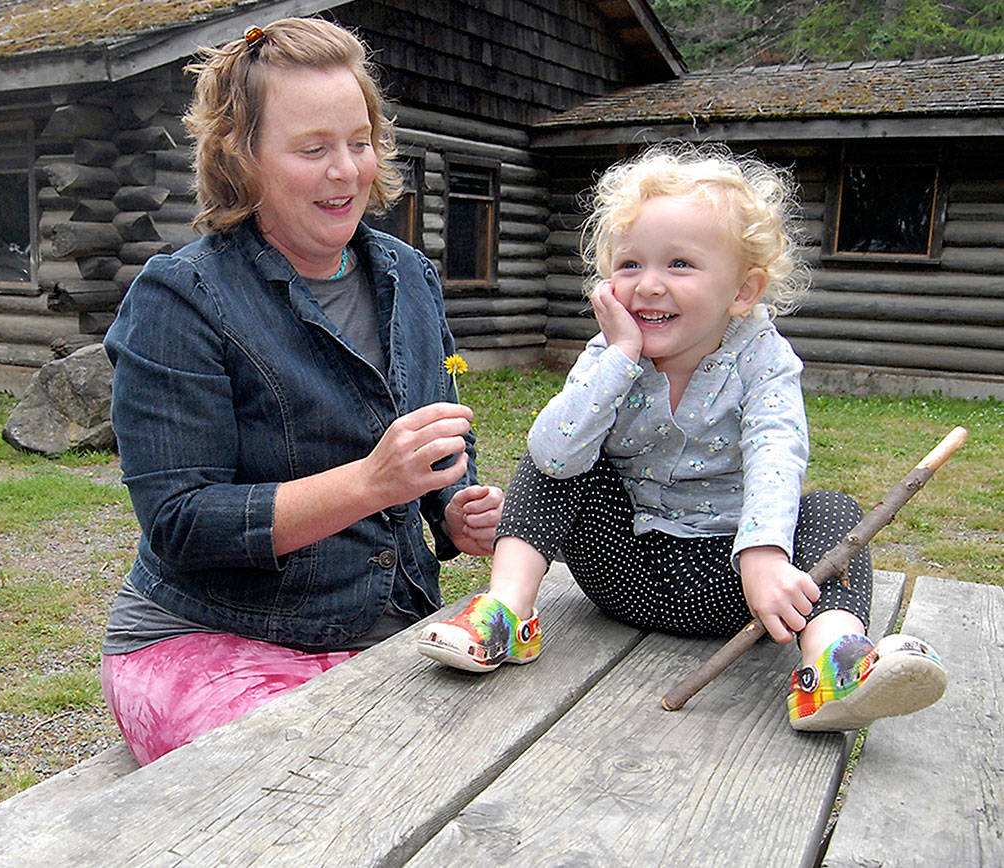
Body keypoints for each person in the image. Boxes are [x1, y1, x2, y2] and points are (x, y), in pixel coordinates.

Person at [417, 143, 947, 732]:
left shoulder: (764, 360)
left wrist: (765, 553)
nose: (648, 286)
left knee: (831, 511)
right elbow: (553, 452)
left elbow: (777, 450)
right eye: (629, 265)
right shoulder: (608, 355)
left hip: (734, 585)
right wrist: (621, 354)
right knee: (558, 457)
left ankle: (832, 664)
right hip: (620, 569)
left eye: (679, 265)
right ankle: (506, 615)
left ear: (743, 292)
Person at [101, 17, 503, 764]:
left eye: (359, 142)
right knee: (317, 792)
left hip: (386, 624)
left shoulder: (409, 276)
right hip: (210, 637)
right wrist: (370, 481)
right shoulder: (180, 298)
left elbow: (441, 430)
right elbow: (181, 524)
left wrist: (456, 509)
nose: (347, 171)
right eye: (313, 148)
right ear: (242, 157)